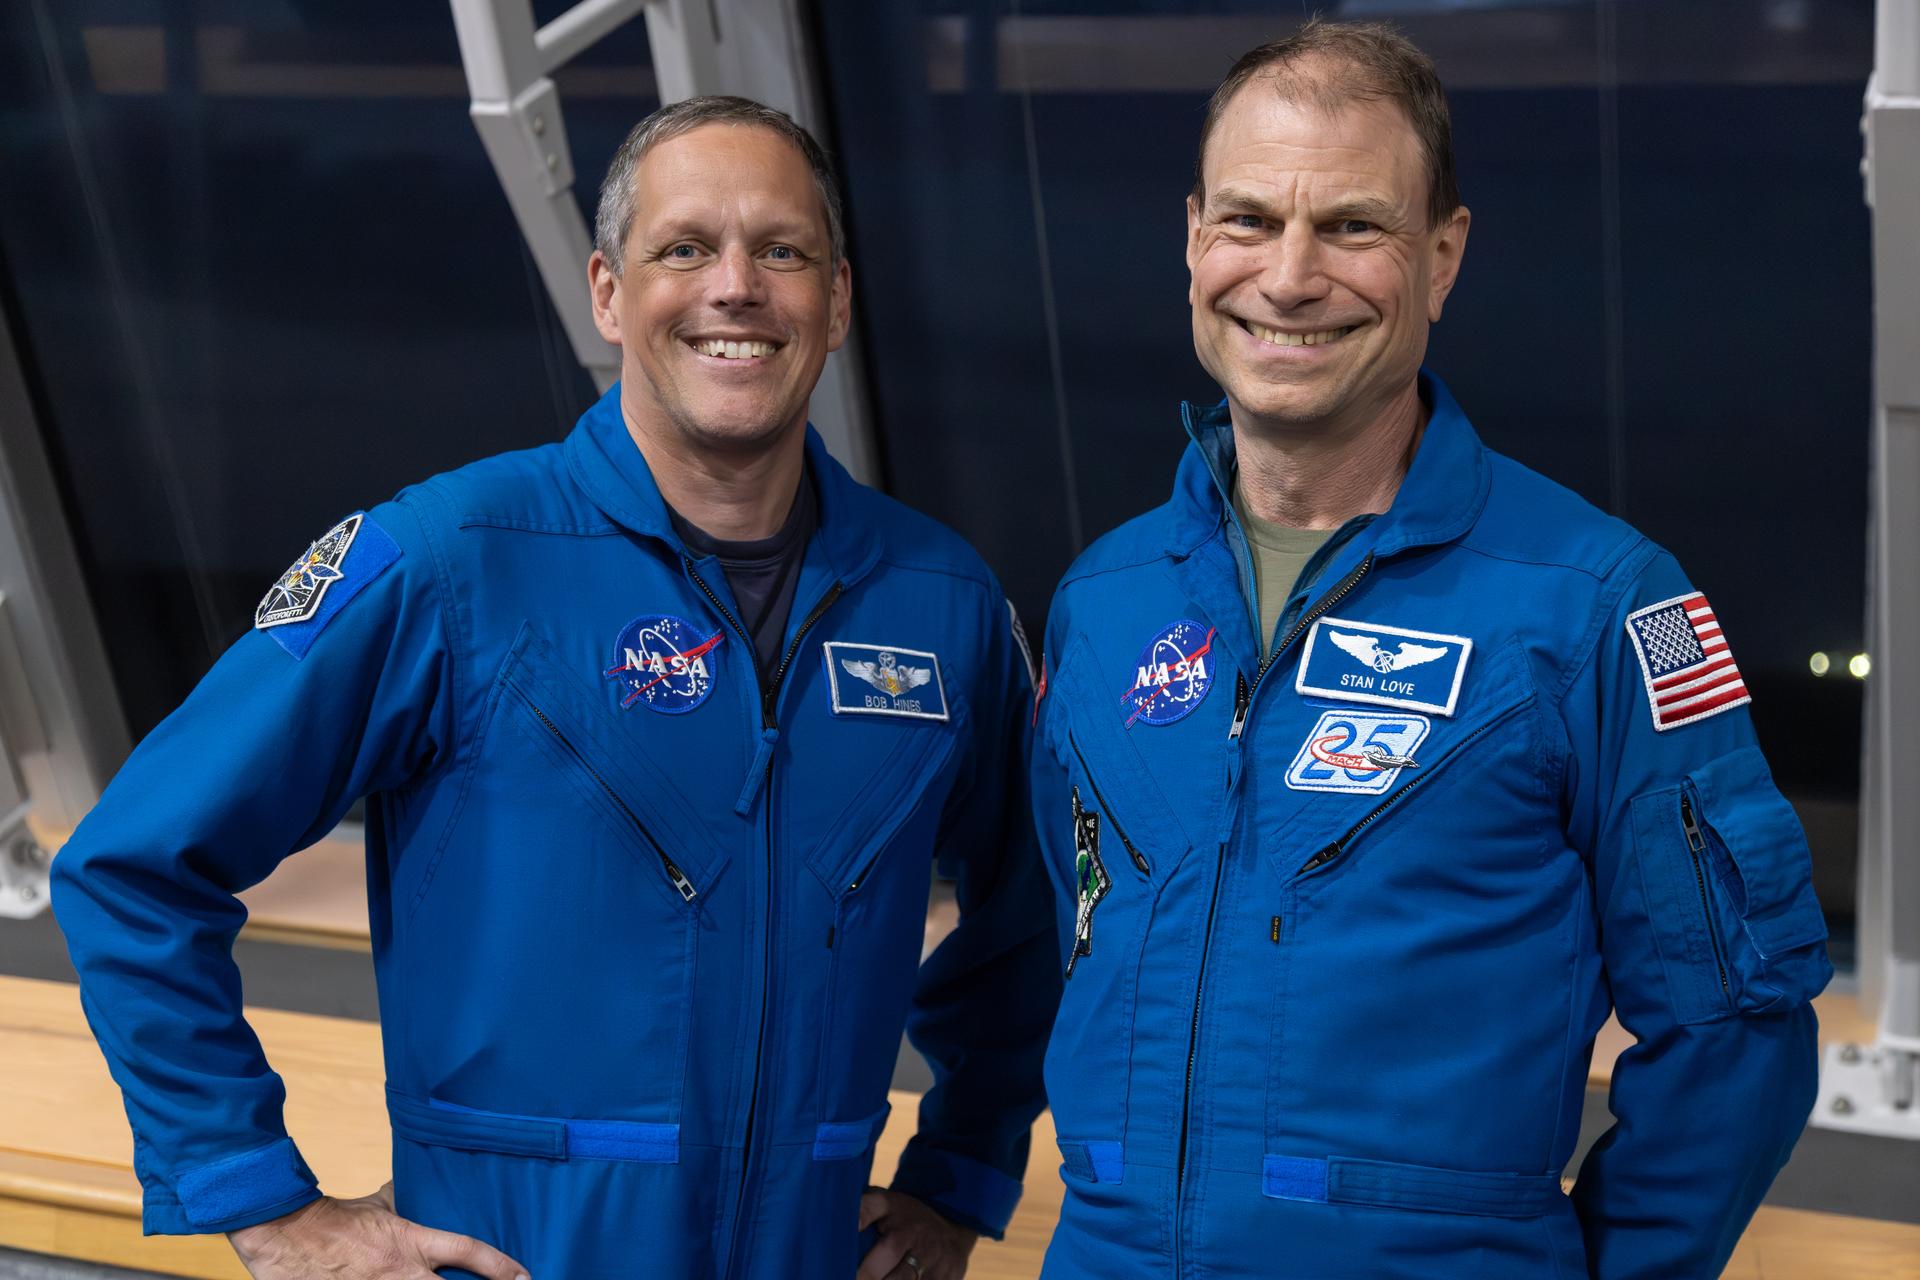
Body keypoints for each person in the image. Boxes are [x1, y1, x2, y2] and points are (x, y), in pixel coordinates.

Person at [51, 95, 1058, 1280]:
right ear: (607, 293)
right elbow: (132, 863)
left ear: (835, 299)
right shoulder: (446, 561)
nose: (734, 286)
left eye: (780, 250)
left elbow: (1038, 915)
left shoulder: (941, 604)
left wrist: (958, 1177)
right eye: (683, 248)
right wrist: (262, 1201)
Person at [1028, 21, 1830, 1279]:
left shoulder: (1601, 604)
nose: (1288, 278)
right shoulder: (1105, 600)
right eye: (1247, 220)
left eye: (1351, 226)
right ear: (1192, 240)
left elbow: (1737, 1031)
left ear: (1444, 256)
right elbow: (1066, 932)